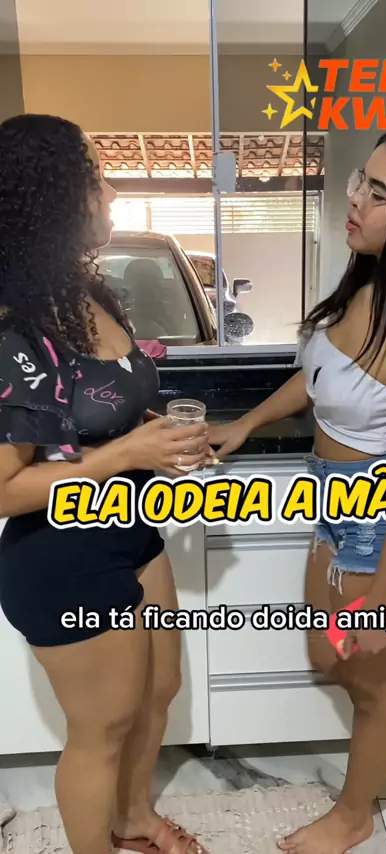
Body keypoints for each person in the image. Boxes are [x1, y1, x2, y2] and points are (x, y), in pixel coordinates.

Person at [208, 121, 386, 854]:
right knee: (331, 657)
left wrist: (385, 602)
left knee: (370, 681)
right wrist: (246, 424)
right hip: (336, 509)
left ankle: (355, 816)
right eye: (361, 180)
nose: (353, 198)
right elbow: (319, 376)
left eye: (378, 193)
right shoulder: (364, 289)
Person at [0, 114, 211, 854]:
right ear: (56, 197)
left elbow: (102, 407)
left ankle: (135, 818)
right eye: (98, 177)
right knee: (102, 729)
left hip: (130, 530)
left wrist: (161, 436)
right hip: (60, 556)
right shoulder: (16, 331)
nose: (113, 192)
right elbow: (5, 488)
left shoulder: (88, 293)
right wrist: (127, 455)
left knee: (159, 691)